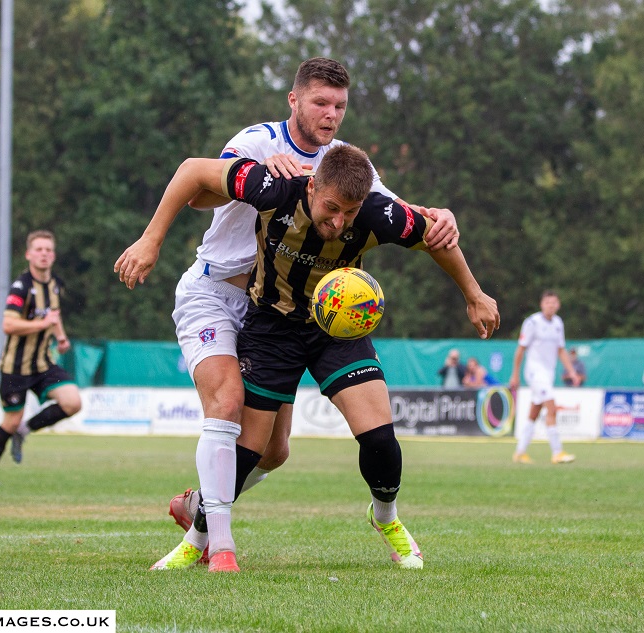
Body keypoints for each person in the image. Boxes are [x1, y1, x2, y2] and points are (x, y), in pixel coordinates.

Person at [115, 58, 459, 569]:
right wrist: (251, 183)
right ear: (294, 101)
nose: (331, 114)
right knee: (228, 405)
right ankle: (217, 545)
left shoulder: (341, 164)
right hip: (215, 292)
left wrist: (435, 216)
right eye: (321, 102)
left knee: (275, 451)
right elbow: (201, 191)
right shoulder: (258, 142)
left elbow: (382, 206)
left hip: (275, 305)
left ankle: (200, 505)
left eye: (340, 106)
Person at [0, 230, 82, 486]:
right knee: (10, 421)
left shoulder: (54, 284)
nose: (44, 254)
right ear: (29, 255)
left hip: (43, 364)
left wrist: (61, 337)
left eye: (48, 250)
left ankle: (25, 430)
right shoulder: (21, 287)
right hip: (15, 368)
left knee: (72, 402)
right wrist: (43, 324)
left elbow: (54, 315)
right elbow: (8, 325)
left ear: (53, 256)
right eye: (39, 250)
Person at [509, 290, 579, 465]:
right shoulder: (532, 322)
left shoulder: (558, 323)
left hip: (548, 373)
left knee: (535, 411)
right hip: (534, 371)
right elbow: (521, 349)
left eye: (554, 302)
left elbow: (561, 350)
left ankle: (519, 452)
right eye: (548, 302)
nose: (551, 305)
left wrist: (571, 371)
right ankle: (557, 452)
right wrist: (515, 374)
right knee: (552, 407)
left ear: (558, 305)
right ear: (542, 304)